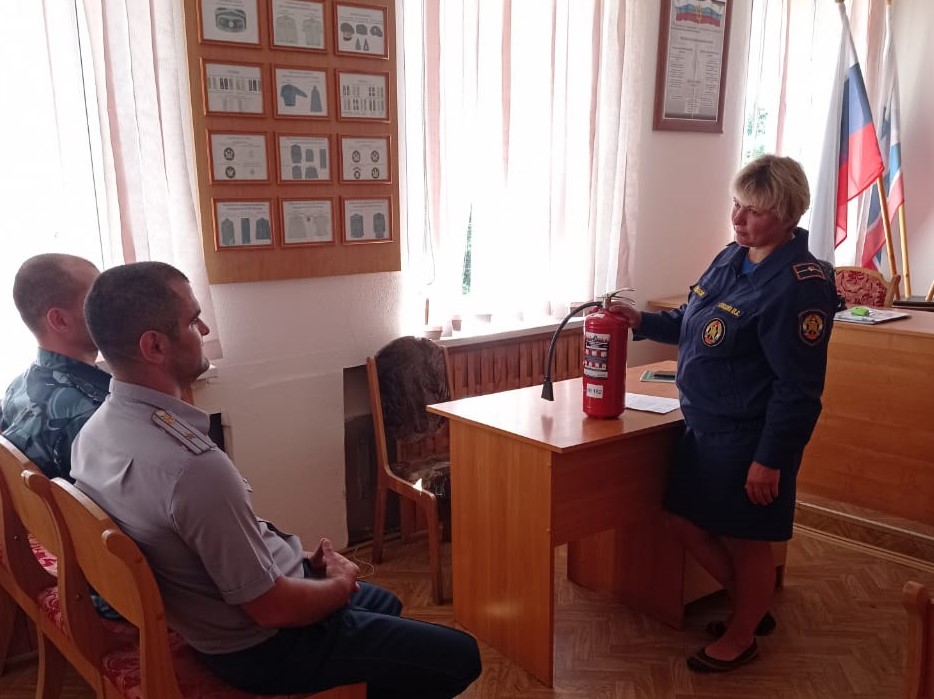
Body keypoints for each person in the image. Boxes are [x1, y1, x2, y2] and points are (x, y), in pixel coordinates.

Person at [72, 262, 481, 698]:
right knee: (462, 656)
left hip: (213, 615)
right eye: (193, 321)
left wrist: (297, 558)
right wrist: (340, 583)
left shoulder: (94, 434)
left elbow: (204, 542)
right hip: (263, 647)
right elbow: (272, 609)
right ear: (154, 345)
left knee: (387, 606)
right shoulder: (192, 468)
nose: (205, 329)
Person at [612, 155, 838, 673]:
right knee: (681, 519)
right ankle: (750, 608)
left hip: (750, 437)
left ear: (787, 214)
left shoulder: (799, 285)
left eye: (753, 210)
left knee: (746, 540)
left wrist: (770, 459)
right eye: (736, 204)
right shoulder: (734, 256)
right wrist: (641, 320)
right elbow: (693, 321)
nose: (738, 218)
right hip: (705, 428)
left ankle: (743, 636)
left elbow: (799, 389)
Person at [1, 253, 110, 481]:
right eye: (99, 299)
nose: (115, 308)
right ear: (60, 320)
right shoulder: (94, 415)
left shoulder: (17, 387)